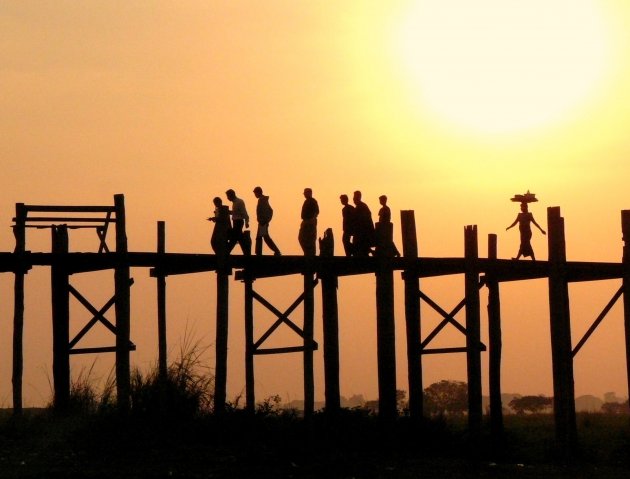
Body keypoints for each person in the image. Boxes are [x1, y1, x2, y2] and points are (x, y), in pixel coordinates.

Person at [253, 186, 281, 256]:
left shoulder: (262, 200)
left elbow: (268, 211)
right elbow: (270, 210)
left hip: (262, 222)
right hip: (262, 222)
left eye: (255, 193)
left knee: (265, 238)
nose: (255, 195)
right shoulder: (263, 200)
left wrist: (265, 220)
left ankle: (276, 251)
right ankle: (258, 252)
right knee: (261, 237)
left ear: (258, 192)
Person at [225, 189, 251, 255]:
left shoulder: (239, 202)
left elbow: (244, 213)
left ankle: (226, 252)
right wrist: (228, 212)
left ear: (231, 195)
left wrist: (247, 222)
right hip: (236, 222)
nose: (227, 198)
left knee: (234, 238)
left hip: (238, 222)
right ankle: (246, 252)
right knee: (239, 238)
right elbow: (236, 213)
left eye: (228, 196)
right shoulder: (234, 203)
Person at [352, 190, 374, 257]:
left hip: (362, 232)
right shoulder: (360, 206)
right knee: (360, 247)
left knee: (360, 246)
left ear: (359, 197)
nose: (353, 199)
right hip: (360, 232)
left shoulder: (362, 206)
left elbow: (364, 220)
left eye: (355, 197)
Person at [298, 188, 319, 256]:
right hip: (306, 221)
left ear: (309, 193)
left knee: (310, 239)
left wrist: (312, 220)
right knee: (302, 238)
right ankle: (307, 253)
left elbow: (317, 211)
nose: (304, 194)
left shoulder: (313, 201)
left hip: (309, 222)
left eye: (305, 193)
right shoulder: (307, 201)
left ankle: (310, 254)